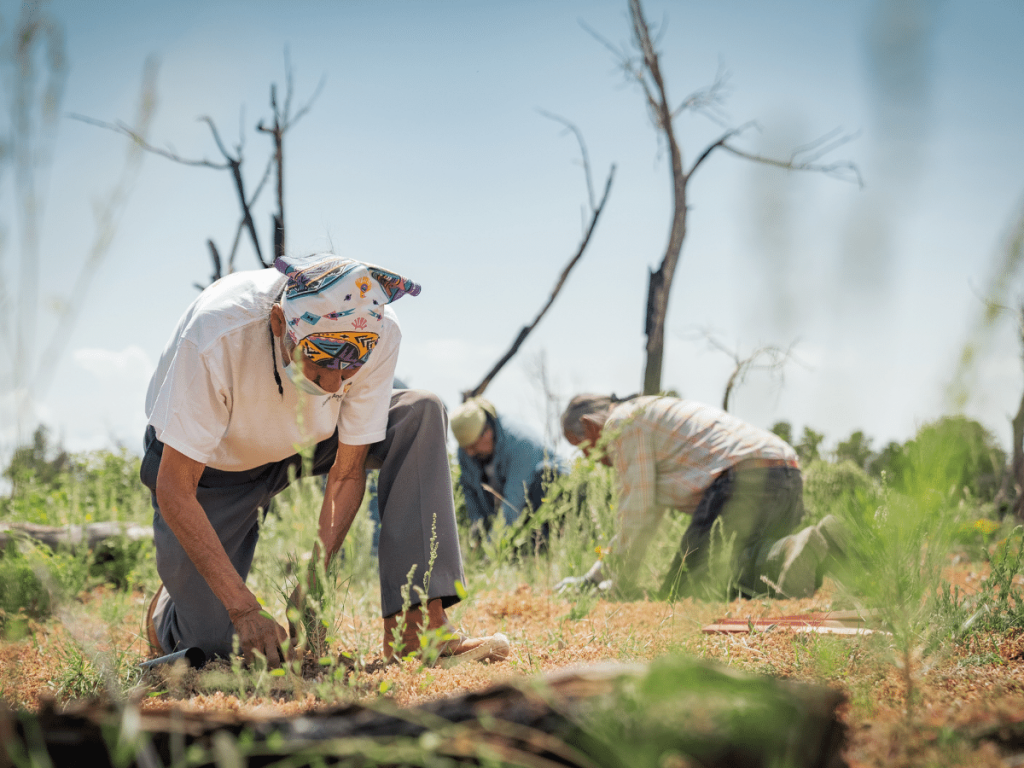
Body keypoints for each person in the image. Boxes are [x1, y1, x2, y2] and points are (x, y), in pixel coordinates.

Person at [141, 253, 509, 667]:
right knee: (210, 647)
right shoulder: (216, 334)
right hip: (215, 466)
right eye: (320, 361)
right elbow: (174, 487)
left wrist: (316, 574)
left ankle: (418, 629)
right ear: (280, 324)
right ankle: (165, 614)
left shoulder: (377, 328)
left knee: (419, 413)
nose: (334, 383)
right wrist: (244, 609)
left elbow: (348, 471)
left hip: (313, 437)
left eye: (349, 367)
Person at [559, 394, 841, 600]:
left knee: (686, 593)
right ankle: (811, 547)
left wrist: (618, 587)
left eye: (581, 446)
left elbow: (637, 514)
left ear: (590, 425)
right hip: (786, 478)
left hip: (744, 480)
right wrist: (594, 578)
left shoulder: (621, 423)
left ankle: (786, 552)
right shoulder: (647, 411)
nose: (588, 457)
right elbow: (645, 516)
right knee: (734, 582)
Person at [449, 397, 564, 545]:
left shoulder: (521, 443)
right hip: (511, 509)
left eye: (473, 446)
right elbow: (471, 492)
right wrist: (477, 535)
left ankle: (542, 550)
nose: (470, 453)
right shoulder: (466, 450)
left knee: (546, 480)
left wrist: (491, 547)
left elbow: (513, 502)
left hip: (543, 497)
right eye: (465, 448)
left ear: (487, 432)